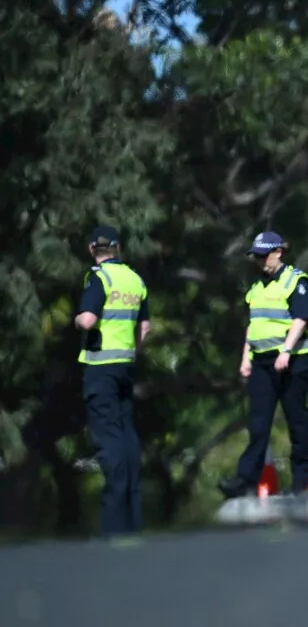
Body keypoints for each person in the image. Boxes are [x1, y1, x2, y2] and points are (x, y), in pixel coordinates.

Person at [219, 232, 308, 499]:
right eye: (256, 257)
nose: (260, 262)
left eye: (264, 256)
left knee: (297, 419)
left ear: (279, 252)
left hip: (292, 360)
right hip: (262, 362)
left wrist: (286, 350)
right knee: (258, 423)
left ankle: (301, 482)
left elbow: (301, 318)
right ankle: (244, 479)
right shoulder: (256, 288)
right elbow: (254, 326)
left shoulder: (296, 281)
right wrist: (245, 358)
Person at [75, 226, 150, 535]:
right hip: (124, 366)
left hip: (100, 368)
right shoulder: (135, 280)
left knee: (108, 439)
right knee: (127, 434)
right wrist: (132, 352)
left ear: (93, 249)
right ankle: (133, 518)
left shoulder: (99, 278)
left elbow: (89, 320)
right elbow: (145, 327)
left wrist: (79, 320)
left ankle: (114, 524)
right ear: (118, 248)